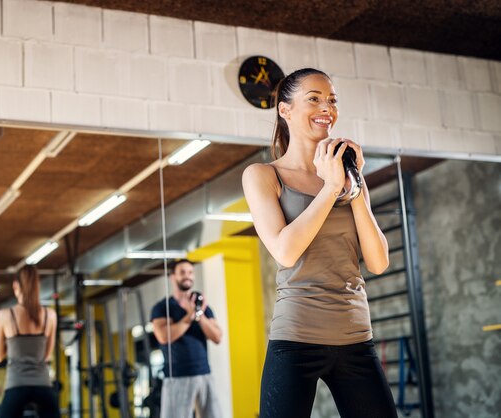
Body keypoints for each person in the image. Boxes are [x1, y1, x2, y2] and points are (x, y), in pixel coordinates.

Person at [242, 68, 398, 418]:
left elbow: (378, 262)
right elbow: (285, 250)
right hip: (296, 337)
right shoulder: (263, 176)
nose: (326, 107)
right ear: (285, 110)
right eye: (314, 98)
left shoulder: (348, 179)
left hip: (356, 337)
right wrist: (330, 188)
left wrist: (352, 184)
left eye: (331, 100)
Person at [150, 259, 224, 418]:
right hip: (177, 376)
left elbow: (217, 336)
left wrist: (199, 314)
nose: (187, 276)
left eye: (190, 272)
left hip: (204, 373)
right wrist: (190, 316)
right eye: (182, 272)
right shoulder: (162, 307)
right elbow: (164, 337)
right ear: (172, 276)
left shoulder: (203, 307)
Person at [0, 265, 59, 418]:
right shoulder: (50, 315)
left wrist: (12, 346)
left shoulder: (4, 315)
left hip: (16, 385)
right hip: (43, 385)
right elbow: (46, 355)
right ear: (38, 286)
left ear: (15, 286)